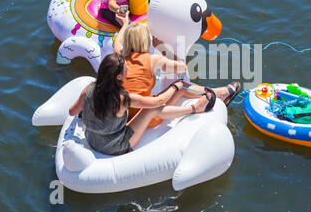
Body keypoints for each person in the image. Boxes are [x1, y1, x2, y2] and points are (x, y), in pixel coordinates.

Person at [68, 53, 214, 156]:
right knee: (151, 110)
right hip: (116, 146)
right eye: (126, 69)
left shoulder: (89, 88)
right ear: (118, 77)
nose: (128, 71)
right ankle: (195, 108)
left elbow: (72, 112)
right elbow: (159, 101)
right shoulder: (123, 98)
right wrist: (176, 86)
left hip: (92, 140)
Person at [113, 14, 241, 125]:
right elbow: (182, 67)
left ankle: (220, 93)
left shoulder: (120, 57)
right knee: (182, 86)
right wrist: (163, 48)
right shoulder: (153, 60)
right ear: (146, 41)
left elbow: (117, 42)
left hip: (126, 115)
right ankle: (221, 93)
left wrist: (124, 25)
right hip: (147, 117)